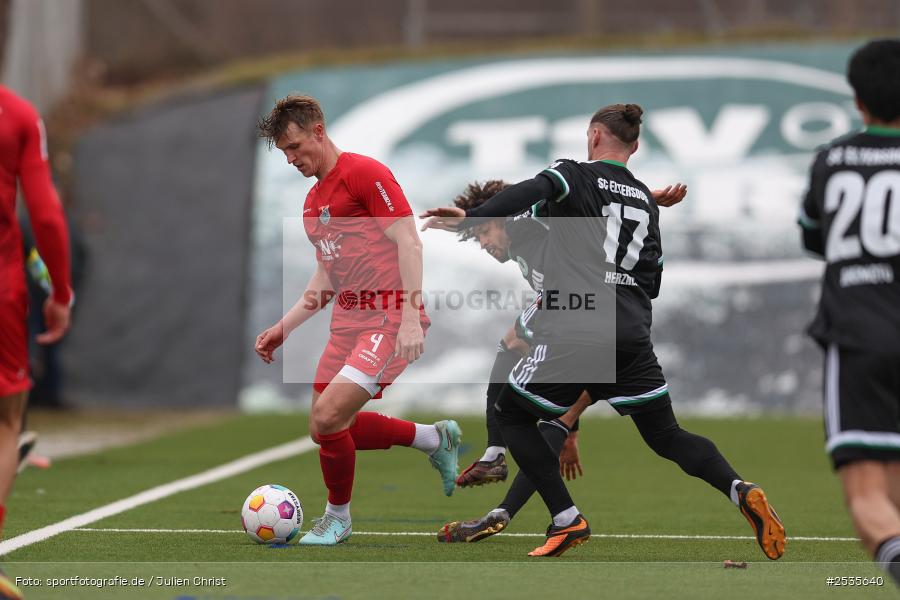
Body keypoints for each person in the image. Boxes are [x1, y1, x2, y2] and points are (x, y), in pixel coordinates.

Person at [422, 104, 785, 559]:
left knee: (512, 413)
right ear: (635, 145)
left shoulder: (572, 175)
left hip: (579, 325)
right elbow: (653, 280)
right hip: (632, 332)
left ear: (594, 135)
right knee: (666, 435)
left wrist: (472, 216)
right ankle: (739, 489)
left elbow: (531, 191)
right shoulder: (643, 203)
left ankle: (564, 518)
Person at [254, 94, 461, 546]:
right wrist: (283, 329)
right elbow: (326, 278)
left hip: (388, 318)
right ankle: (433, 439)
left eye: (294, 147)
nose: (291, 159)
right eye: (284, 153)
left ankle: (338, 519)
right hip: (346, 323)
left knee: (330, 416)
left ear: (318, 132)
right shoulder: (313, 203)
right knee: (323, 427)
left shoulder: (365, 174)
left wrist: (410, 318)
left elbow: (409, 242)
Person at [450, 180, 687, 491]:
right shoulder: (521, 245)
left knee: (515, 347)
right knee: (659, 432)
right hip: (602, 317)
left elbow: (575, 197)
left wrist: (642, 197)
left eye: (484, 232)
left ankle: (502, 459)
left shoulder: (525, 224)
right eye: (477, 237)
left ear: (503, 218)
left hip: (585, 306)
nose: (483, 243)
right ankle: (538, 454)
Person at [798, 39, 900, 585]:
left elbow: (815, 237)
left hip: (860, 334)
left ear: (857, 99)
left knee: (869, 495)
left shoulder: (831, 160)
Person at [0, 86, 73, 598]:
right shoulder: (19, 114)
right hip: (2, 286)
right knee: (7, 422)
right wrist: (61, 292)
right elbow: (45, 214)